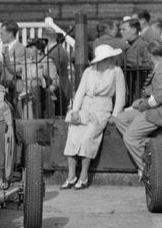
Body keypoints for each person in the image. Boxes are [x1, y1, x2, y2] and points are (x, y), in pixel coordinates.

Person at [61, 44, 126, 190]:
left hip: (102, 109)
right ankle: (71, 176)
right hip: (85, 107)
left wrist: (115, 115)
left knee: (87, 138)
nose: (111, 60)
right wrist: (75, 111)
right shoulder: (89, 71)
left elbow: (121, 95)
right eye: (108, 58)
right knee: (73, 136)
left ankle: (84, 175)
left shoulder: (116, 71)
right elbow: (80, 92)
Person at [114, 42, 162, 177]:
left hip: (157, 111)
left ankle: (148, 169)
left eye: (145, 56)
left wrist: (140, 105)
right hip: (152, 107)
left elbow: (158, 99)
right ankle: (148, 145)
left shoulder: (160, 70)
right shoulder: (158, 67)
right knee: (121, 119)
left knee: (130, 137)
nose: (144, 59)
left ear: (151, 55)